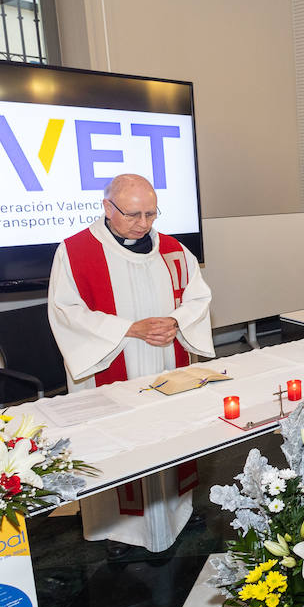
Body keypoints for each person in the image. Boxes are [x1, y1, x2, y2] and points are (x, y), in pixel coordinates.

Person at [48, 173, 215, 553]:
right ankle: (118, 530)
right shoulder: (75, 252)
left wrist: (176, 322)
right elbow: (65, 310)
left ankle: (177, 515)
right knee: (118, 441)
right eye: (133, 215)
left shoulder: (173, 249)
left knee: (169, 436)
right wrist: (129, 329)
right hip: (113, 362)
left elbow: (198, 297)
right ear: (108, 208)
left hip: (165, 363)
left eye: (151, 215)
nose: (143, 225)